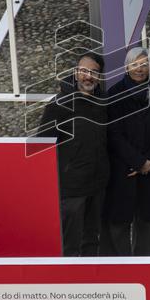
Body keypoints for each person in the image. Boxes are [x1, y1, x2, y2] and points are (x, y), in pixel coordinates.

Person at [37, 52, 109, 257]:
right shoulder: (59, 104)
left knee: (91, 240)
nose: (89, 76)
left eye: (94, 72)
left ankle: (91, 283)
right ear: (76, 73)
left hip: (98, 185)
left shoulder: (104, 101)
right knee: (70, 244)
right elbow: (42, 143)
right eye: (84, 71)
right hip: (72, 188)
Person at [101, 47, 150, 256]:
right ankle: (118, 266)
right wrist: (138, 162)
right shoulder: (115, 93)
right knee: (119, 220)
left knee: (147, 220)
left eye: (144, 64)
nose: (140, 68)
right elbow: (113, 134)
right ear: (127, 66)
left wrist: (149, 161)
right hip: (123, 166)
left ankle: (147, 265)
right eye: (135, 64)